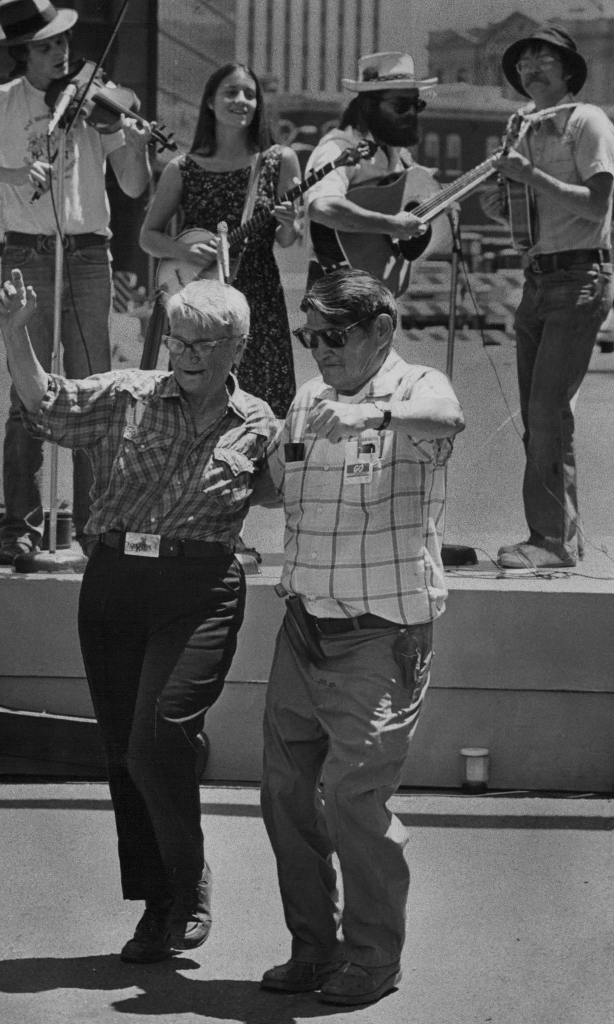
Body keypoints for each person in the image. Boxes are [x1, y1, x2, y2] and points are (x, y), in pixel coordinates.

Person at [0, 268, 280, 961]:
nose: (182, 354)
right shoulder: (128, 394)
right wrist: (14, 331)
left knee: (158, 735)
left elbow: (277, 496)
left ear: (236, 348)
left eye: (201, 343)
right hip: (116, 582)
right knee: (129, 752)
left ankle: (187, 884)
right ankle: (161, 902)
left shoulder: (259, 421)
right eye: (176, 339)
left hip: (200, 587)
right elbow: (48, 402)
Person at [259, 269, 465, 1006]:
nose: (320, 350)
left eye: (334, 335)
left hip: (381, 635)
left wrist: (374, 420)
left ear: (381, 328)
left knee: (352, 798)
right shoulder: (308, 397)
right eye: (310, 336)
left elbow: (447, 421)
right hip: (305, 625)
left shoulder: (416, 387)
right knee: (284, 793)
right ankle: (314, 949)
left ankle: (373, 956)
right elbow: (278, 483)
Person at [0, 0, 153, 564]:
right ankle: (20, 529)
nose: (60, 53)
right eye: (45, 46)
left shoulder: (95, 99)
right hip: (27, 250)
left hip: (87, 254)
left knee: (93, 391)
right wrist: (6, 173)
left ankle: (95, 526)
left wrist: (132, 141)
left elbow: (132, 187)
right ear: (21, 52)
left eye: (62, 42)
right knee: (24, 395)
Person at [480, 26, 614, 569]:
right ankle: (564, 536)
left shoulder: (588, 120)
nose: (532, 67)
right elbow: (520, 208)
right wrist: (503, 195)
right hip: (538, 280)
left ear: (568, 71)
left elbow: (597, 206)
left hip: (580, 277)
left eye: (544, 58)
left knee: (545, 410)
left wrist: (529, 175)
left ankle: (550, 541)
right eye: (524, 60)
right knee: (544, 417)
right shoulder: (518, 127)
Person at [139, 62, 301, 418]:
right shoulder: (183, 168)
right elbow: (148, 237)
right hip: (199, 304)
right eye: (231, 92)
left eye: (250, 94)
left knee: (264, 406)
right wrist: (182, 250)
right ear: (210, 102)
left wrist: (290, 223)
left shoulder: (280, 160)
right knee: (196, 406)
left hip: (260, 298)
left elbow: (287, 239)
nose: (241, 100)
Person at [302, 51, 433, 289]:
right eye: (401, 105)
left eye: (417, 104)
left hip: (379, 287)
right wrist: (393, 225)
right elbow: (323, 207)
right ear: (368, 105)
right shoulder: (338, 148)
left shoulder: (398, 155)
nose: (412, 113)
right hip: (336, 290)